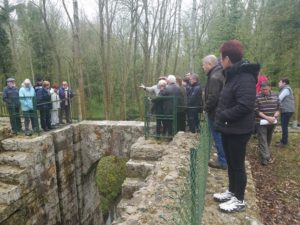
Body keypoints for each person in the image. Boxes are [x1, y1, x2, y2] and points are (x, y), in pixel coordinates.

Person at [213, 40, 260, 213]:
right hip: (229, 128)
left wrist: (223, 115)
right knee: (232, 163)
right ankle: (232, 191)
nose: (220, 60)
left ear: (227, 58)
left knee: (238, 165)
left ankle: (239, 200)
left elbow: (245, 105)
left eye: (221, 57)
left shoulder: (244, 77)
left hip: (239, 130)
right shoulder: (233, 75)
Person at [202, 54, 227, 170]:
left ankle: (222, 161)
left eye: (203, 65)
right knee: (220, 136)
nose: (203, 67)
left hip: (215, 112)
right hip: (220, 110)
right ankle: (223, 158)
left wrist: (205, 108)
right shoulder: (219, 73)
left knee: (218, 136)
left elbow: (213, 97)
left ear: (209, 64)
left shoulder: (214, 77)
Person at [255, 81, 280, 165]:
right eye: (262, 90)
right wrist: (267, 117)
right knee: (262, 138)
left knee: (268, 138)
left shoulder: (276, 95)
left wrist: (275, 116)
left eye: (266, 89)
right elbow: (256, 110)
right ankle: (265, 157)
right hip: (261, 121)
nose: (264, 91)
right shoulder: (257, 96)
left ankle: (264, 152)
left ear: (269, 87)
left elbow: (279, 107)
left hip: (272, 121)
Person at [277, 78, 295, 147]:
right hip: (287, 110)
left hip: (287, 110)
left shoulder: (286, 89)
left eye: (280, 82)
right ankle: (283, 140)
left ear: (284, 83)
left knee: (284, 126)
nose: (279, 83)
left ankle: (284, 143)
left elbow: (279, 98)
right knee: (284, 126)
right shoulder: (285, 89)